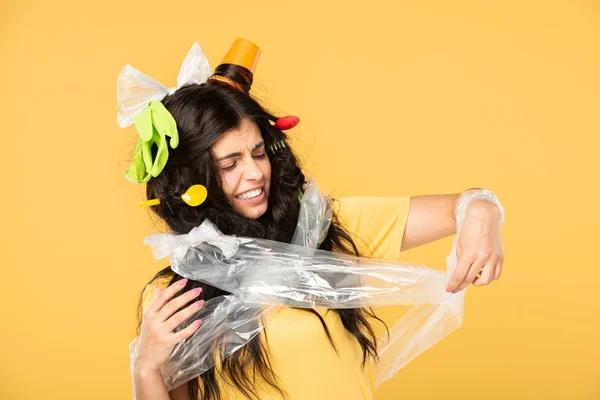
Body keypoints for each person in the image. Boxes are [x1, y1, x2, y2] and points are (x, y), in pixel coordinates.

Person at [118, 39, 504, 400]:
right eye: (230, 164)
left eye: (258, 153)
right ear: (191, 180)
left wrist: (483, 215)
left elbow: (462, 205)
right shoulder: (178, 299)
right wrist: (147, 365)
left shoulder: (325, 230)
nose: (254, 173)